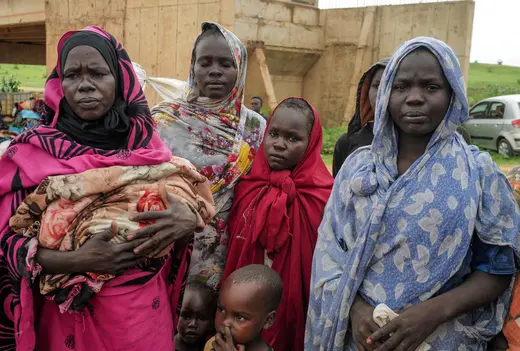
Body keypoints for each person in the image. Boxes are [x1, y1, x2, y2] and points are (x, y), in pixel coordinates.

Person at [305, 37, 520, 351]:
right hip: (360, 338)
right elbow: (329, 252)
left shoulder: (478, 172)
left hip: (439, 336)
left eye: (432, 87)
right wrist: (354, 308)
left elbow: (498, 268)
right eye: (401, 86)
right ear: (385, 94)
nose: (415, 98)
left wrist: (430, 314)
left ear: (453, 95)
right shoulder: (358, 170)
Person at [0, 26, 200, 350]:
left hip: (140, 318)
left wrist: (188, 219)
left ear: (120, 80)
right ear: (59, 82)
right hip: (67, 321)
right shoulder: (31, 154)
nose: (85, 85)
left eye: (97, 72)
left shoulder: (149, 148)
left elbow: (185, 198)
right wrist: (77, 260)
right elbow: (5, 240)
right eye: (72, 74)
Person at [151, 22, 266, 289]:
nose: (215, 71)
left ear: (240, 68)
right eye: (205, 63)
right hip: (166, 243)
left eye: (225, 64)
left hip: (229, 252)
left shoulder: (255, 128)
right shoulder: (163, 119)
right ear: (193, 66)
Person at [222, 97, 333, 350]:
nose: (279, 145)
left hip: (295, 299)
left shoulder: (324, 196)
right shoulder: (248, 185)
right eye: (273, 134)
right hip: (246, 301)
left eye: (293, 139)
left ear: (311, 143)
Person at [204, 264, 283, 351]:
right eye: (221, 309)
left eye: (239, 317)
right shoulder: (213, 344)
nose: (225, 322)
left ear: (268, 320)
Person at [332, 58, 389, 177]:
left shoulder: (414, 144)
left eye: (390, 85)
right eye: (377, 85)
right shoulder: (346, 143)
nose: (381, 92)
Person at [175, 279, 218, 351]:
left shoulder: (211, 346)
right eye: (186, 316)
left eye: (201, 318)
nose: (193, 324)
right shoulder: (164, 345)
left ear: (211, 322)